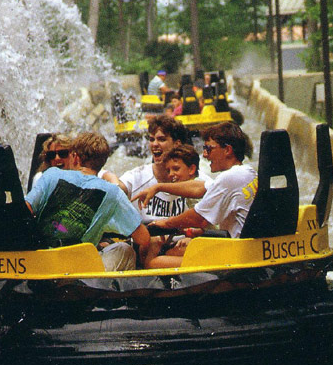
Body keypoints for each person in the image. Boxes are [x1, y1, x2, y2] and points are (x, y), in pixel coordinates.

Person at [136, 122, 257, 269]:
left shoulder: (229, 178)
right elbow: (199, 187)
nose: (205, 155)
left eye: (208, 149)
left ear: (227, 150)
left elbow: (197, 219)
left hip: (233, 254)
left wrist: (166, 223)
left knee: (153, 263)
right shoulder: (246, 172)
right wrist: (158, 187)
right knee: (172, 251)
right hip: (239, 247)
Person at [25, 131, 149, 271]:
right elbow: (143, 239)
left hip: (40, 261)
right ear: (102, 162)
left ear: (75, 157)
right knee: (125, 250)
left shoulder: (51, 174)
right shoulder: (114, 193)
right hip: (78, 269)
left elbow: (25, 209)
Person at [102, 114, 200, 223]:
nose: (154, 144)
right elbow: (119, 188)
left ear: (177, 144)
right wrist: (107, 175)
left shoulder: (193, 176)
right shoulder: (138, 175)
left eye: (161, 139)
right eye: (152, 139)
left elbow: (208, 190)